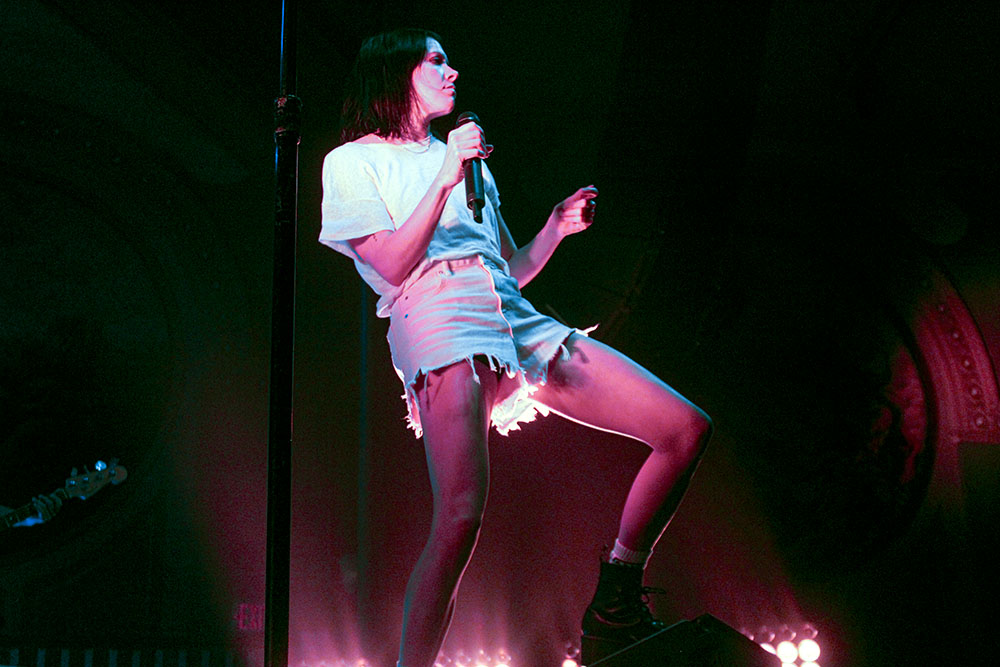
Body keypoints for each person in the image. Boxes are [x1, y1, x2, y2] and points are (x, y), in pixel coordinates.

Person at [320, 28, 713, 667]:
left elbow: (507, 265)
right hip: (438, 317)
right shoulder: (354, 162)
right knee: (461, 515)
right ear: (396, 75)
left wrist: (555, 227)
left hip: (514, 318)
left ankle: (616, 594)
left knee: (685, 428)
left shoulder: (469, 162)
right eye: (437, 61)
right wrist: (445, 175)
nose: (452, 72)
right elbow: (391, 264)